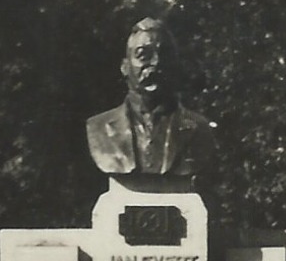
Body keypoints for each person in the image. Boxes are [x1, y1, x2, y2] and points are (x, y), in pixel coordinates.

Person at [86, 18, 214, 176]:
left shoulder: (199, 128)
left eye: (164, 56)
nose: (156, 63)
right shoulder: (98, 127)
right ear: (124, 67)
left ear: (175, 66)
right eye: (143, 56)